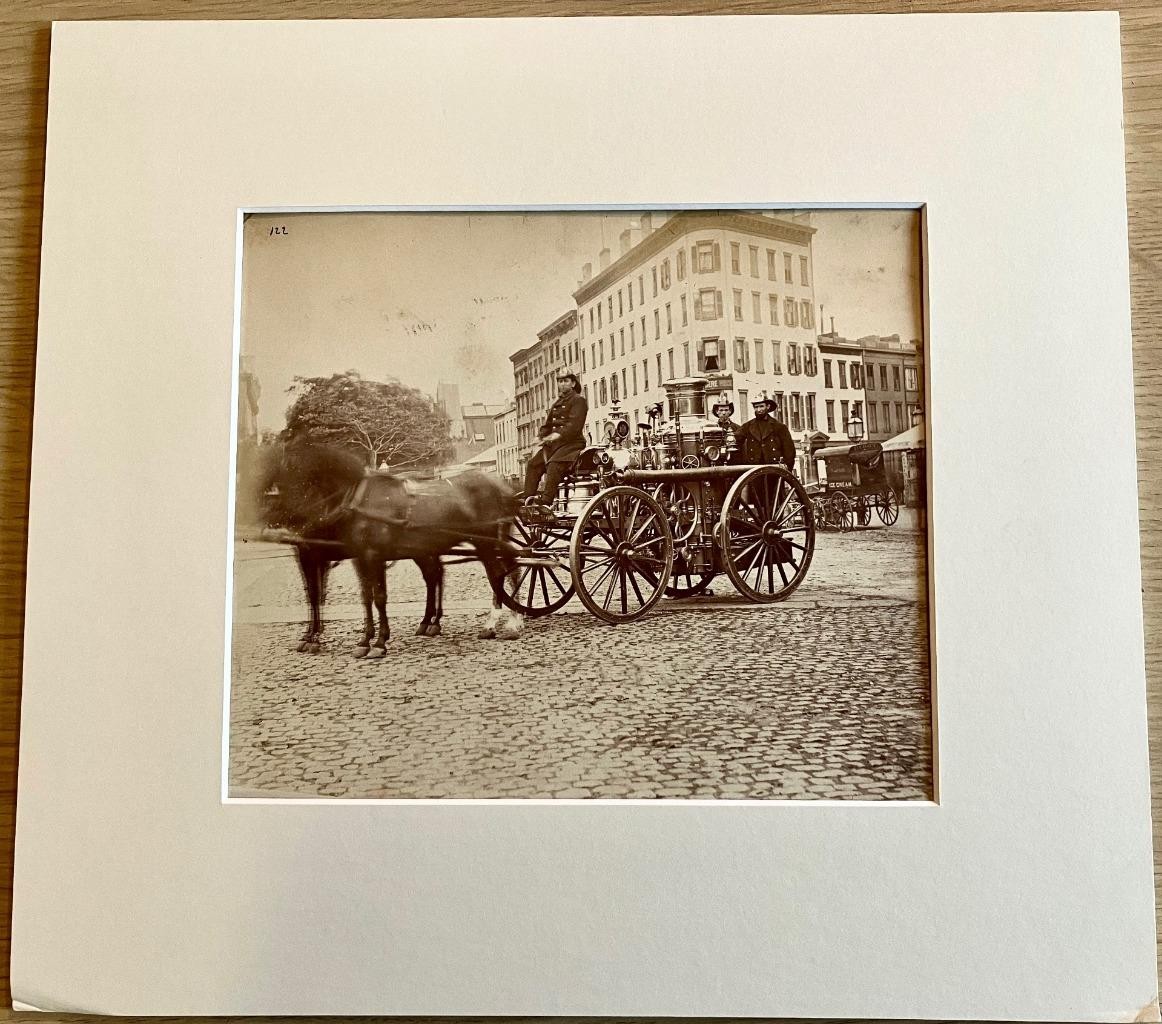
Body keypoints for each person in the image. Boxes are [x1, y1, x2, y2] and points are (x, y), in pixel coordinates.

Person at [523, 372, 589, 508]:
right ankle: (527, 498)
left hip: (572, 445)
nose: (562, 384)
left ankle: (546, 501)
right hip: (555, 446)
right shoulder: (557, 403)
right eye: (560, 381)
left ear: (573, 383)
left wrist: (558, 434)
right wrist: (540, 436)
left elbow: (574, 425)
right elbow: (547, 425)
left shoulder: (579, 400)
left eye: (565, 381)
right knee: (533, 464)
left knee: (554, 464)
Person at [734, 392, 796, 470]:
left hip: (774, 469)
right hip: (754, 469)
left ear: (768, 406)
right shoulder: (747, 426)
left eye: (761, 406)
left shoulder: (779, 427)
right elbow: (735, 441)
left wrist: (786, 471)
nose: (759, 410)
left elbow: (789, 451)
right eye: (756, 407)